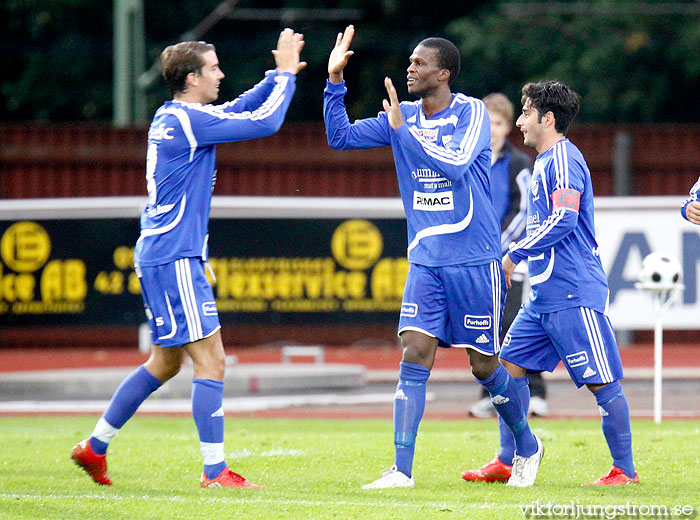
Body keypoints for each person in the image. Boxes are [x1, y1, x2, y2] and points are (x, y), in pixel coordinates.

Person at [70, 30, 306, 488]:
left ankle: (94, 447)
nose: (220, 75)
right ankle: (215, 472)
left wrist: (277, 73)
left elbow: (239, 107)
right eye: (213, 69)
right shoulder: (187, 121)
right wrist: (286, 77)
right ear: (193, 78)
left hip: (164, 252)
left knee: (165, 362)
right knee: (212, 361)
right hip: (175, 256)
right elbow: (265, 123)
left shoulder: (175, 115)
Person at [324, 25, 543, 489]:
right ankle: (401, 470)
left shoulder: (472, 113)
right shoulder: (401, 115)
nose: (411, 67)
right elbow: (339, 137)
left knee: (483, 365)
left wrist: (404, 136)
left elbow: (459, 164)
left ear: (444, 73)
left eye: (420, 63)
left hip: (475, 258)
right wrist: (334, 82)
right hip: (426, 258)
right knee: (415, 350)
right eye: (410, 62)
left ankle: (526, 444)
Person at [466, 80, 639, 486]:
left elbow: (563, 220)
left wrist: (513, 255)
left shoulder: (562, 159)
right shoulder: (545, 161)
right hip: (543, 294)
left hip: (573, 290)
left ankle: (624, 470)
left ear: (547, 118)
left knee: (602, 381)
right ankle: (509, 458)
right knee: (506, 367)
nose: (519, 121)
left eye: (525, 113)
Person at [463, 93, 550, 483]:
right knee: (485, 332)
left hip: (508, 262)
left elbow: (524, 211)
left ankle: (538, 391)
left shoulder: (518, 163)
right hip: (475, 261)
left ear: (509, 125)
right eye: (487, 123)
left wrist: (502, 251)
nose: (492, 130)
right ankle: (489, 398)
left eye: (499, 123)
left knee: (515, 330)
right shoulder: (465, 158)